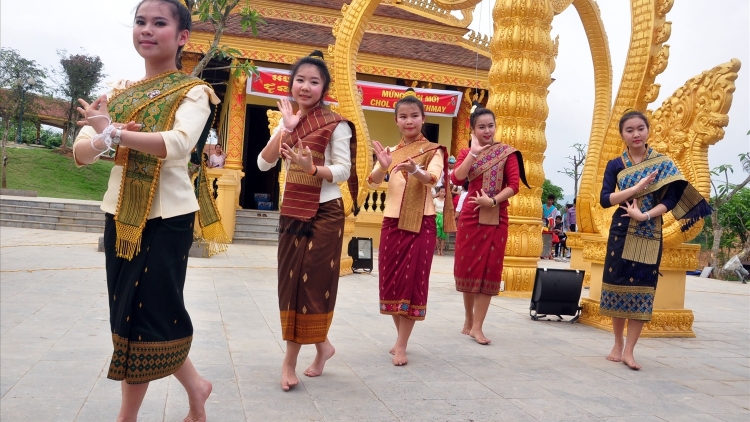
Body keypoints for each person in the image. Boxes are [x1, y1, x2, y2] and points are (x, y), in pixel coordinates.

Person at [72, 1, 223, 420]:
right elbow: (81, 153)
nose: (147, 30)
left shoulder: (194, 91)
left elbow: (177, 145)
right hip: (120, 216)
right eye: (140, 22)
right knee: (129, 312)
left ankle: (127, 417)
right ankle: (197, 386)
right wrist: (105, 137)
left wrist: (114, 133)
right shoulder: (121, 94)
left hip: (168, 219)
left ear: (182, 37)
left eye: (160, 23)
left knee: (144, 315)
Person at [257, 50, 358, 390]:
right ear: (292, 85)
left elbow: (343, 170)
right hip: (292, 213)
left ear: (324, 89)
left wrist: (311, 168)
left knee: (311, 285)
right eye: (300, 80)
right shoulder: (288, 121)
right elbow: (263, 163)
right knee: (290, 284)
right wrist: (284, 130)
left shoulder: (336, 124)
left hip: (325, 212)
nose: (305, 86)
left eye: (314, 81)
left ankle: (289, 363)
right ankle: (323, 346)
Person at [599, 109, 711, 370]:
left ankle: (630, 350)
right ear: (622, 135)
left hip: (649, 230)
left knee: (642, 289)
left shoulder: (662, 163)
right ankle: (617, 343)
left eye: (640, 128)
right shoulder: (616, 164)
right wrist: (635, 190)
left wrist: (645, 215)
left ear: (648, 130)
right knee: (617, 286)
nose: (636, 134)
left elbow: (672, 200)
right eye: (630, 130)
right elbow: (606, 199)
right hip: (621, 230)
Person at [368, 91, 455, 366]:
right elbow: (372, 182)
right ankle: (400, 337)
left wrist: (415, 170)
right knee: (392, 281)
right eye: (403, 117)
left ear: (423, 118)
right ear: (396, 120)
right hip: (391, 223)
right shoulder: (390, 153)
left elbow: (434, 179)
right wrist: (383, 167)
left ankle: (402, 344)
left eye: (414, 116)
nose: (409, 121)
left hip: (422, 223)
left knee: (412, 281)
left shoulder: (434, 150)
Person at [451, 107, 528, 345]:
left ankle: (478, 326)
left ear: (496, 126)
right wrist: (473, 154)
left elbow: (514, 185)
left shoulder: (508, 153)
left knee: (489, 271)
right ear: (473, 130)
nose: (487, 130)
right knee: (468, 269)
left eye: (490, 126)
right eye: (481, 127)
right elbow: (456, 178)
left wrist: (493, 200)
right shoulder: (467, 152)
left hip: (497, 218)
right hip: (471, 217)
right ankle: (467, 317)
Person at [434, 186, 448, 255]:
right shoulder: (435, 200)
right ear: (439, 192)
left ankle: (442, 250)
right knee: (437, 235)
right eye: (441, 192)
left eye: (444, 192)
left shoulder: (446, 201)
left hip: (444, 218)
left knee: (443, 236)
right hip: (437, 217)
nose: (443, 193)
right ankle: (438, 250)